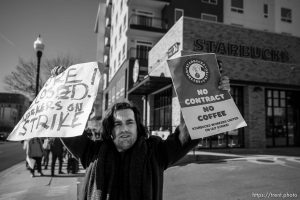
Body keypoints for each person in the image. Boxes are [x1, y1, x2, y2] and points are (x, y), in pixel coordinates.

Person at [52, 65, 230, 200]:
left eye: (130, 122)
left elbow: (190, 130)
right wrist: (62, 89)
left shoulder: (156, 152)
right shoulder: (93, 153)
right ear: (110, 130)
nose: (124, 128)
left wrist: (212, 91)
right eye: (117, 124)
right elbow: (66, 127)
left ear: (138, 126)